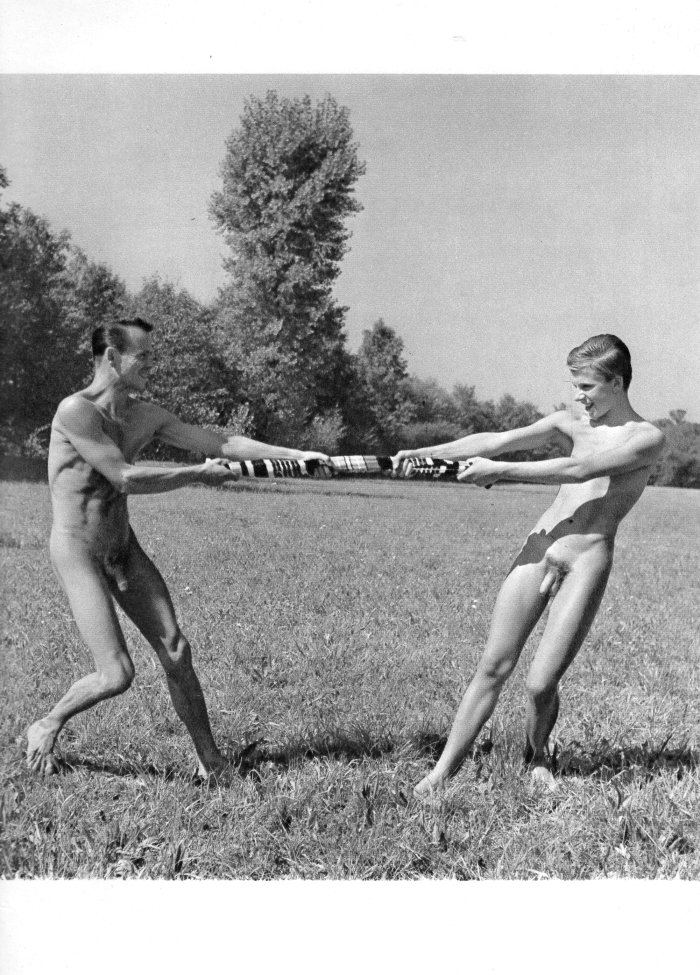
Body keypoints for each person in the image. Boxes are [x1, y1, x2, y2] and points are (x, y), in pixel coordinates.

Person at [25, 317, 327, 779]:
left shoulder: (146, 414)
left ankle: (212, 763)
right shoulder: (76, 411)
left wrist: (296, 456)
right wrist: (197, 474)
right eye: (143, 356)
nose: (152, 365)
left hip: (122, 547)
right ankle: (47, 723)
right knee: (116, 675)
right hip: (78, 551)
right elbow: (123, 477)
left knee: (176, 652)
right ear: (113, 358)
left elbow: (223, 442)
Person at [395, 335, 665, 796]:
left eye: (587, 387)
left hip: (587, 560)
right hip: (541, 547)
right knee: (493, 666)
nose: (578, 397)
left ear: (617, 383)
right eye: (575, 386)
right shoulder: (570, 421)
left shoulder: (647, 439)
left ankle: (537, 755)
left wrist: (501, 471)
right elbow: (496, 441)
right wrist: (427, 454)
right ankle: (439, 775)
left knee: (541, 684)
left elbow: (581, 470)